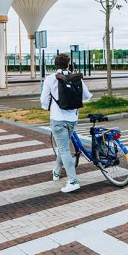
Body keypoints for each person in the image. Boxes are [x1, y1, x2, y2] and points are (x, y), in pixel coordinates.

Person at [40, 53, 92, 193]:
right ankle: (56, 171)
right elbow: (87, 96)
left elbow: (44, 101)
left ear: (55, 65)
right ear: (68, 65)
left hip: (57, 119)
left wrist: (49, 107)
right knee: (64, 149)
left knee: (63, 149)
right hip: (72, 120)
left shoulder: (50, 79)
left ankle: (73, 181)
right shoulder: (75, 78)